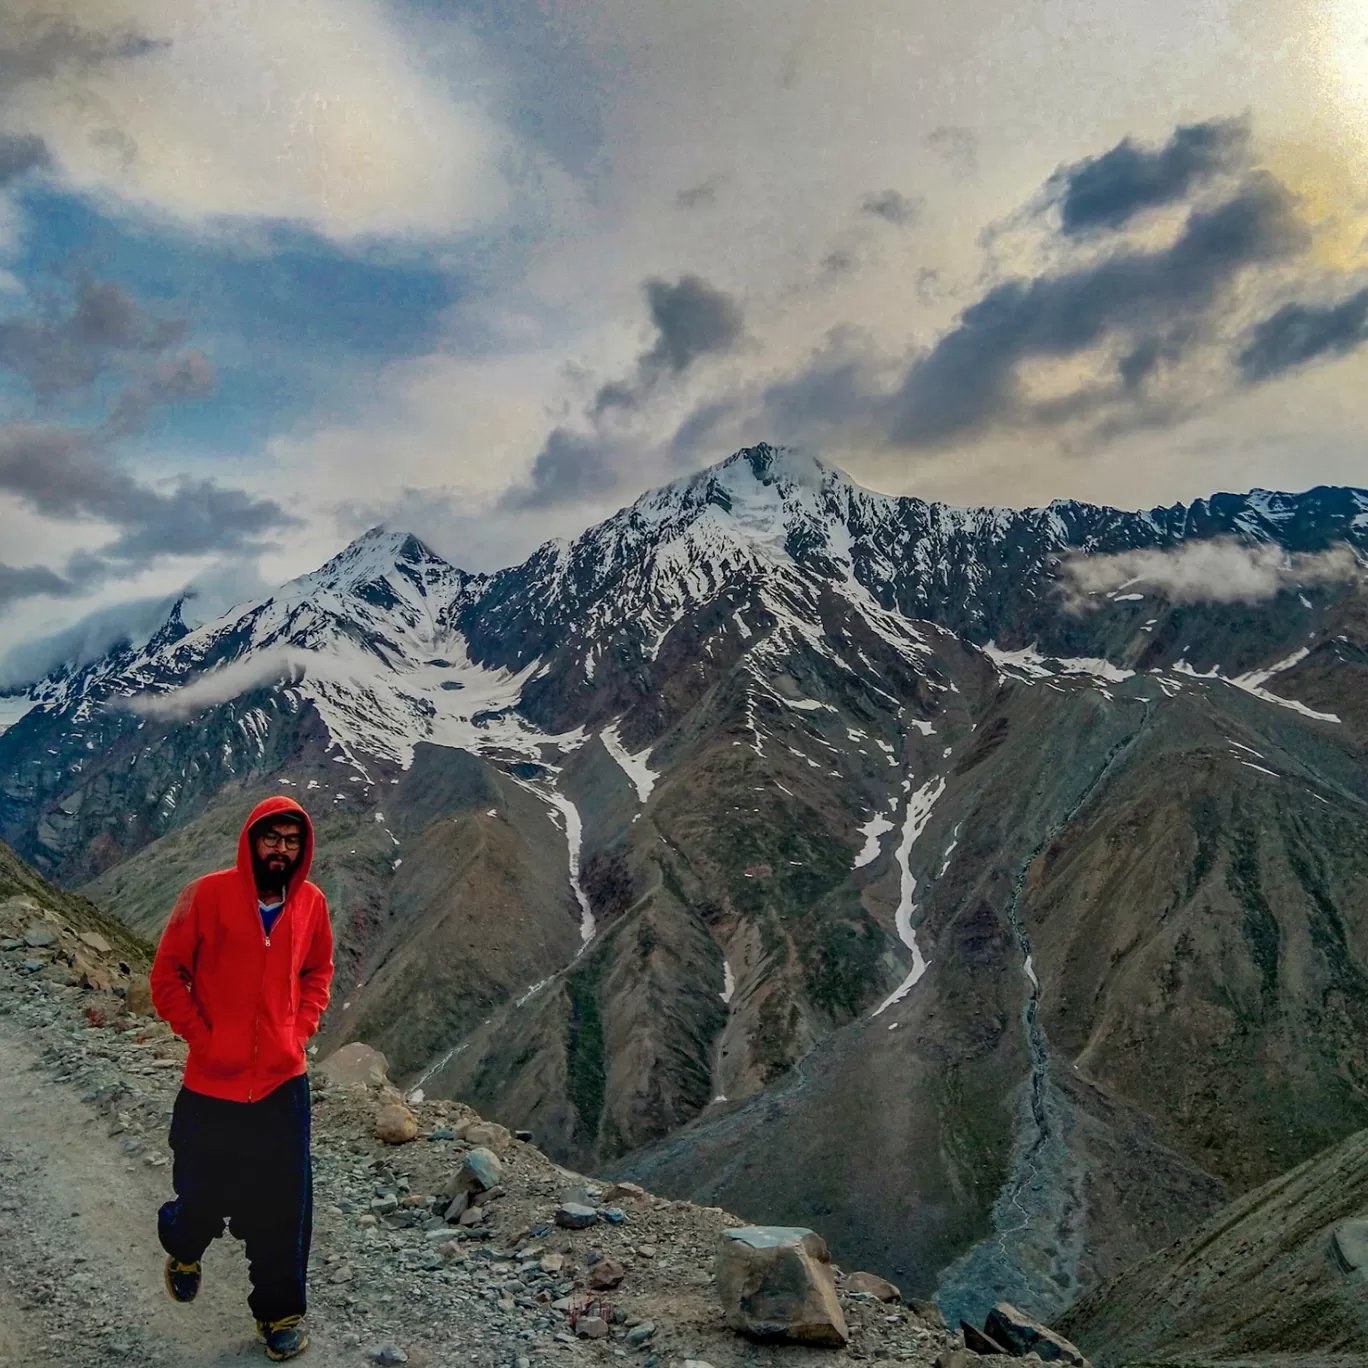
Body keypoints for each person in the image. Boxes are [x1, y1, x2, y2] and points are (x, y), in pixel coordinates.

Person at [150, 796, 334, 1362]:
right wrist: (205, 1040)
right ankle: (183, 1246)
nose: (281, 849)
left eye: (291, 840)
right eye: (271, 838)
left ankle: (280, 1315)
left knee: (284, 1207)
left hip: (283, 1086)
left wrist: (297, 1032)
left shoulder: (311, 904)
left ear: (302, 849)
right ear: (251, 840)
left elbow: (318, 972)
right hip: (211, 1085)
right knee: (203, 1197)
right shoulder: (205, 896)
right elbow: (167, 975)